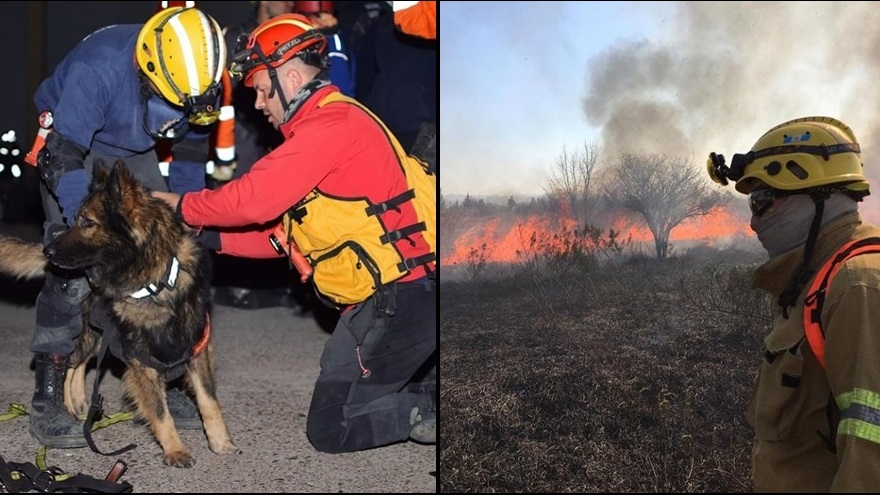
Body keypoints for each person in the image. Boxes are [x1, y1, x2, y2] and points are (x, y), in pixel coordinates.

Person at [153, 13, 437, 452]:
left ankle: (432, 404)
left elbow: (253, 199)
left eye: (264, 90)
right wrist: (204, 238)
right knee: (348, 393)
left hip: (400, 302)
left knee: (332, 429)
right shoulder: (322, 132)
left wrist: (184, 207)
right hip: (389, 301)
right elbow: (282, 238)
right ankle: (424, 377)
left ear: (289, 75)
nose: (261, 104)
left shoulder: (330, 125)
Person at [24, 6, 226, 449]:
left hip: (133, 150)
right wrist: (97, 233)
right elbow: (63, 154)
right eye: (170, 102)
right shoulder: (96, 70)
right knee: (72, 272)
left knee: (165, 264)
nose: (178, 112)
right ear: (148, 70)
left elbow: (191, 158)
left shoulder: (201, 83)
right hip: (74, 143)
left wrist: (183, 224)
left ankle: (169, 379)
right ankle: (49, 393)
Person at [707, 116, 880, 491]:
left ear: (819, 195)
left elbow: (869, 458)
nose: (754, 222)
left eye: (763, 200)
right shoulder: (815, 276)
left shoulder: (856, 287)